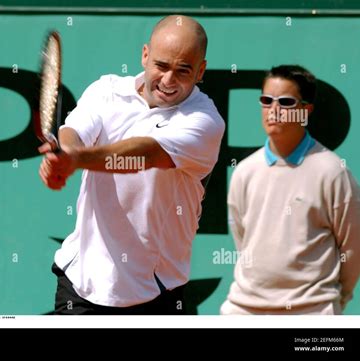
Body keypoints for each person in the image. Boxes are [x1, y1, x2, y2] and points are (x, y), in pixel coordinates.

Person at [38, 15, 225, 314]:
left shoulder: (204, 122)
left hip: (156, 294)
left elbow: (144, 155)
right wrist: (66, 155)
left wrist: (75, 160)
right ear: (145, 55)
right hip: (80, 285)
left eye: (183, 70)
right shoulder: (106, 90)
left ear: (200, 71)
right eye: (161, 66)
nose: (168, 80)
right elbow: (75, 134)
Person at [221, 65, 360, 315]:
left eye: (285, 102)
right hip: (243, 311)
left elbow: (353, 248)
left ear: (306, 111)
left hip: (313, 313)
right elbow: (243, 240)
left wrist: (332, 301)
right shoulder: (244, 171)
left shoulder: (333, 171)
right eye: (266, 100)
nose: (273, 110)